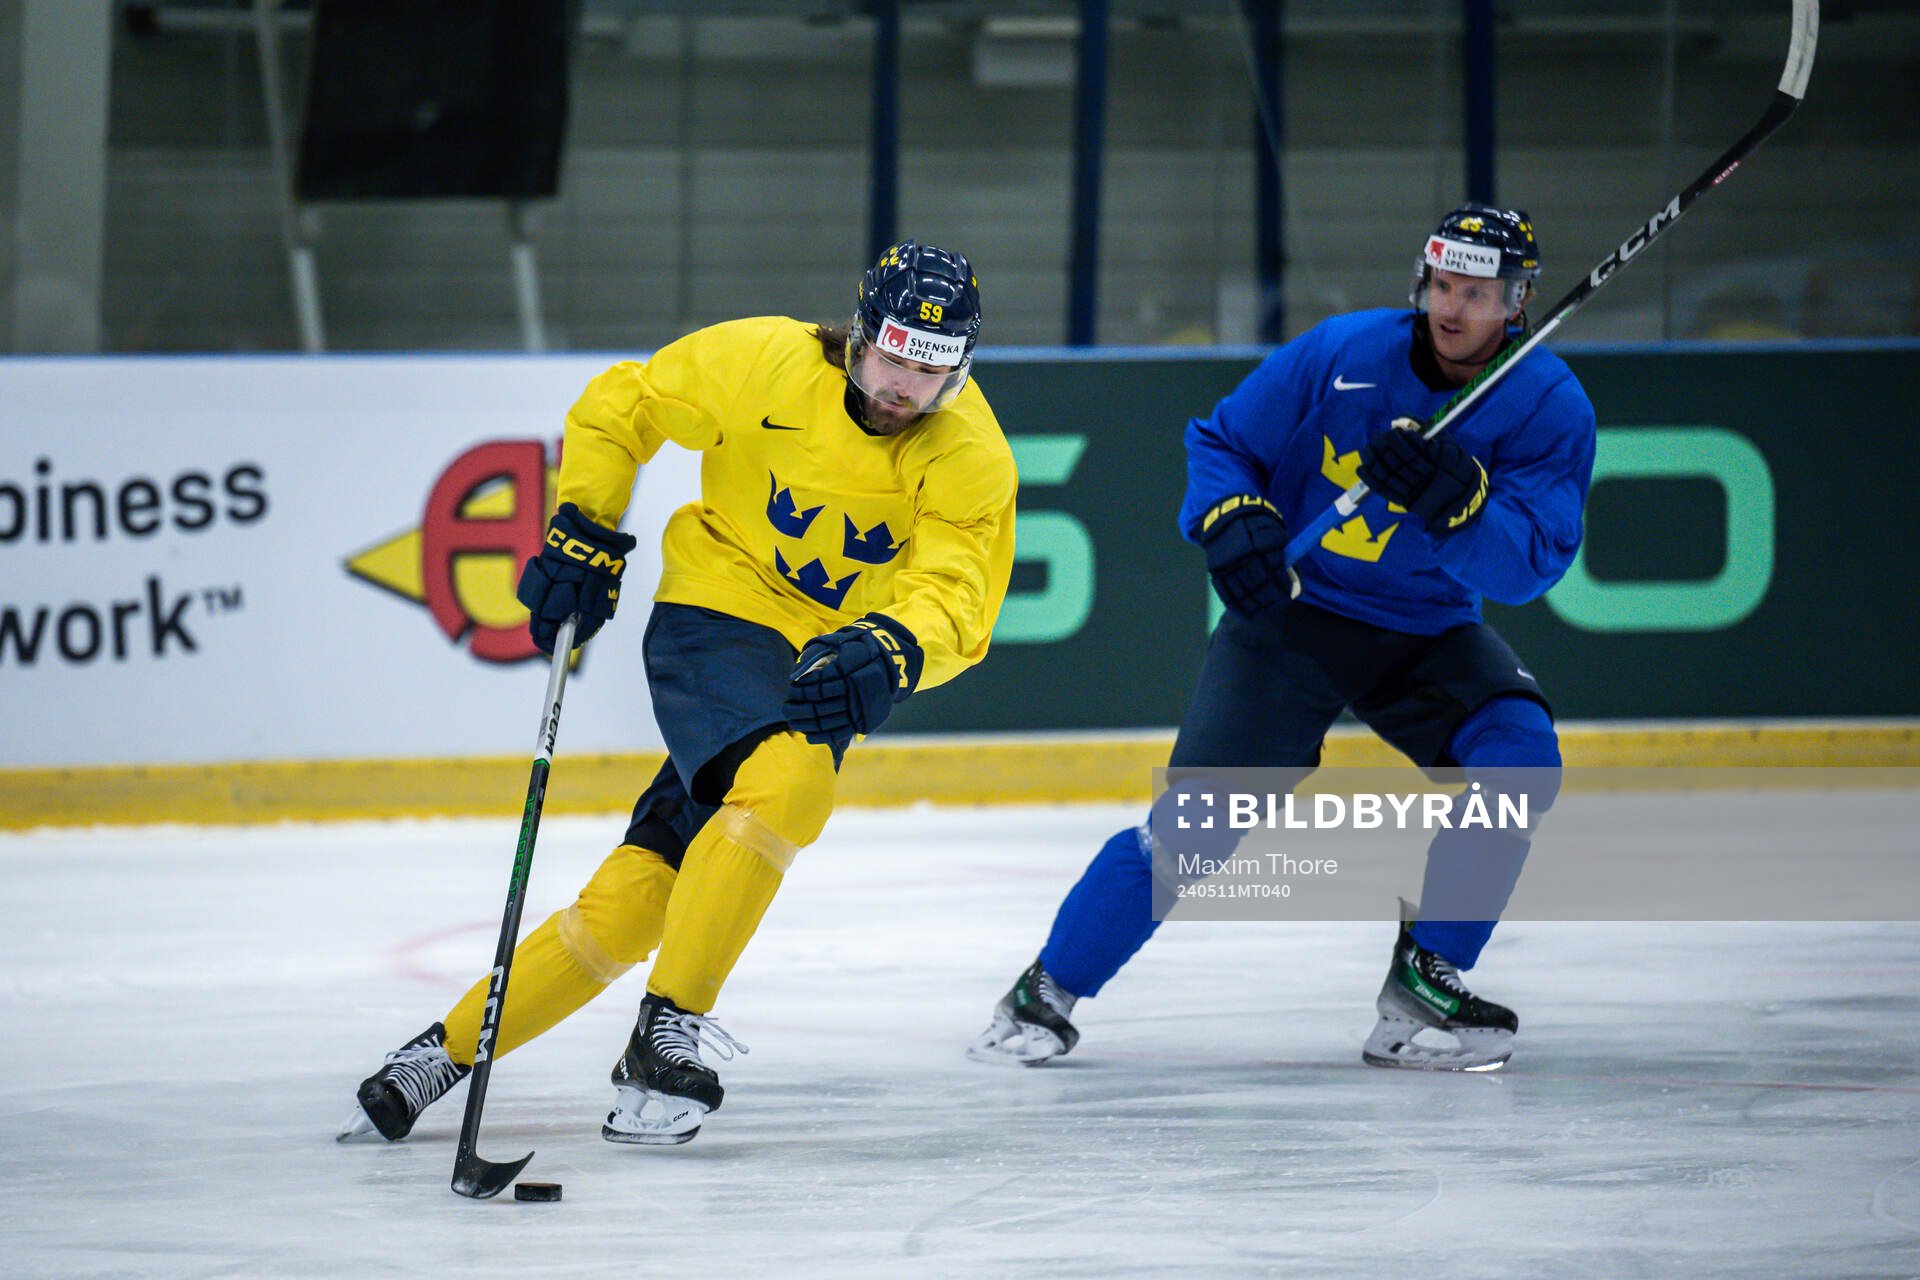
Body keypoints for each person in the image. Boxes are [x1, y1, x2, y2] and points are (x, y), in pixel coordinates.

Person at [341, 240, 1016, 1145]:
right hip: (719, 612)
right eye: (894, 355)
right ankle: (665, 1034)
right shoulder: (763, 364)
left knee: (639, 902)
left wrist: (897, 644)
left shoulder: (970, 455)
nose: (904, 387)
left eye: (930, 371)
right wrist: (582, 521)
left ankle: (433, 1057)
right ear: (859, 337)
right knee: (793, 784)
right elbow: (626, 405)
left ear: (959, 373)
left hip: (822, 660)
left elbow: (958, 598)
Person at [969, 204, 1594, 1072]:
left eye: (1478, 293)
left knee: (1520, 759)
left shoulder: (1549, 406)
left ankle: (1425, 980)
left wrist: (1464, 509)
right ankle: (1047, 991)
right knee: (1197, 823)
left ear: (1517, 303)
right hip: (1296, 619)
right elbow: (1223, 443)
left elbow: (1531, 566)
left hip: (1427, 631)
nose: (1452, 309)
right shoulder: (1343, 353)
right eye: (1443, 285)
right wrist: (1231, 520)